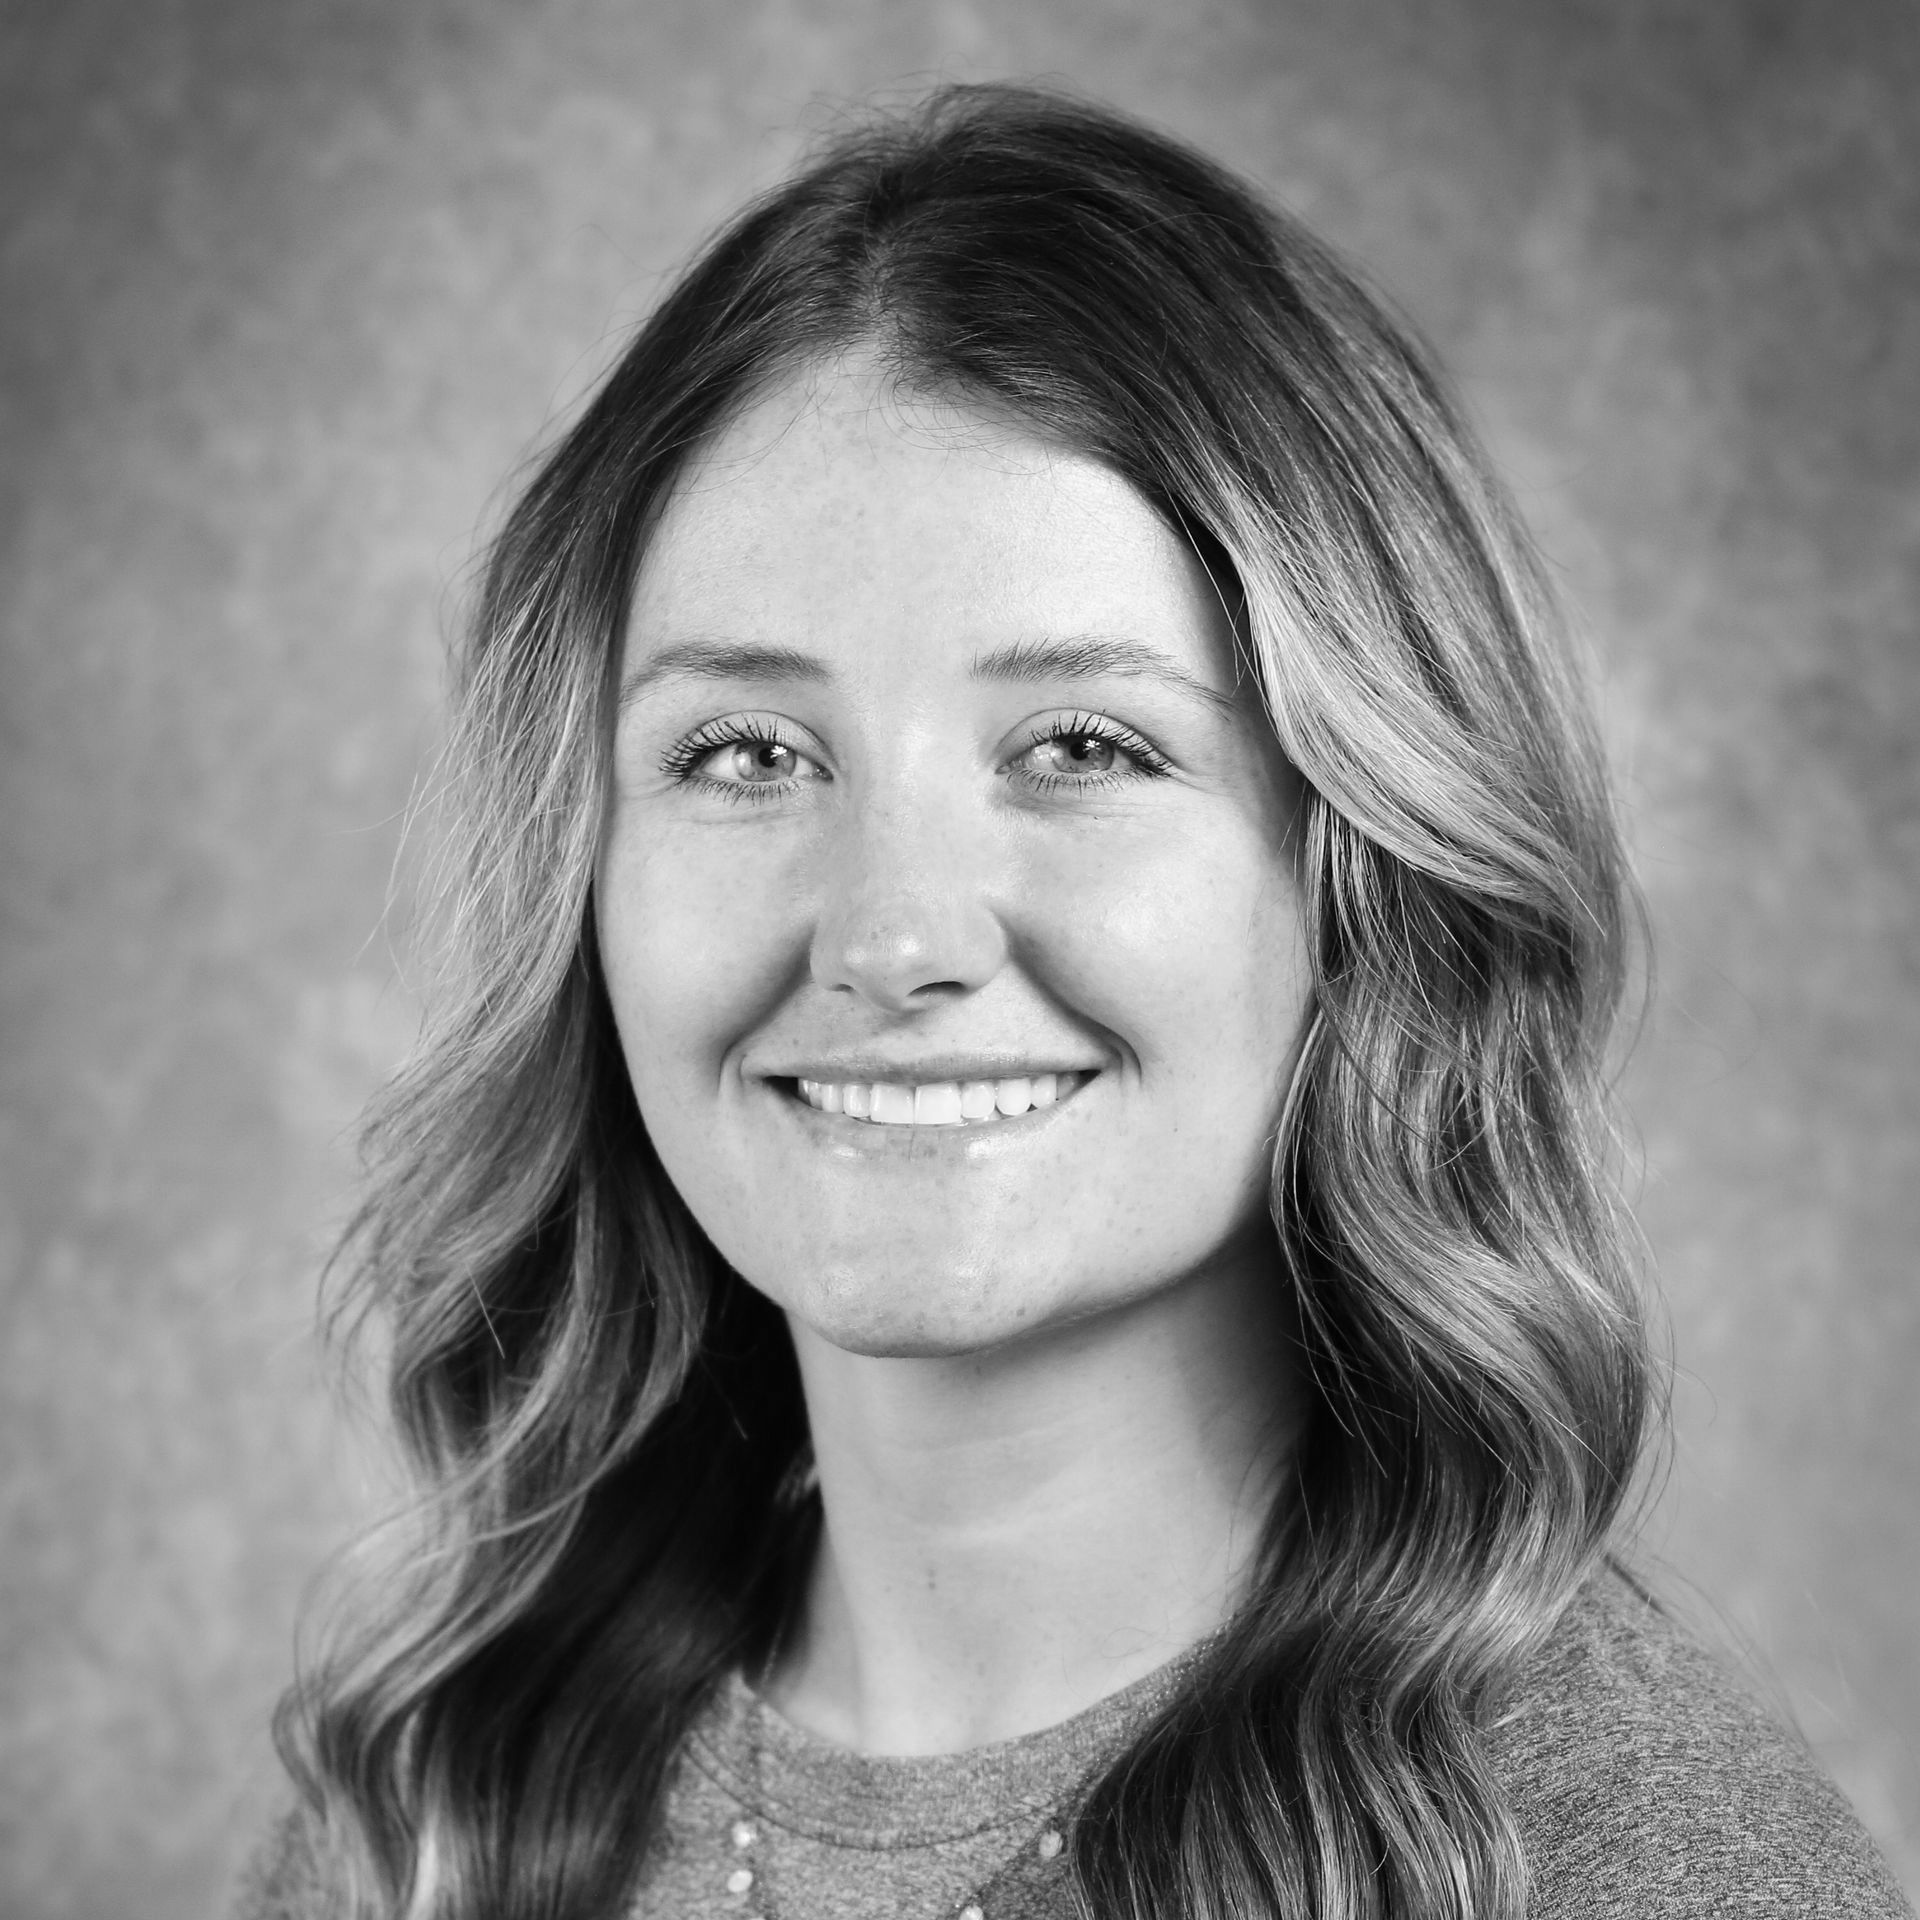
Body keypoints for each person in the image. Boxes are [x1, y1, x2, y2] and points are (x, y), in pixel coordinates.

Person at [235, 83, 1912, 1920]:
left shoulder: (1629, 1864)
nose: (888, 937)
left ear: (1371, 864)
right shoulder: (436, 1812)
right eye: (742, 750)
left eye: (1084, 745)